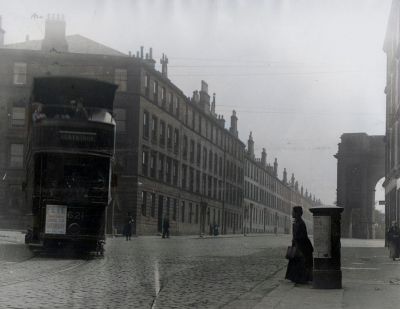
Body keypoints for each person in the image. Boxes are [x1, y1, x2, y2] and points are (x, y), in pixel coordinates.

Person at [285, 206, 314, 284]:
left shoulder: (300, 223)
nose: (292, 213)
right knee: (296, 261)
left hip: (303, 246)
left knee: (301, 262)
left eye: (293, 212)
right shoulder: (297, 222)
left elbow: (302, 236)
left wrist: (296, 241)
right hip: (299, 245)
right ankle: (296, 277)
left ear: (297, 213)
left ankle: (301, 278)